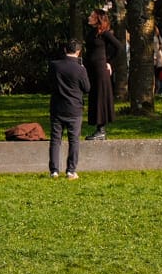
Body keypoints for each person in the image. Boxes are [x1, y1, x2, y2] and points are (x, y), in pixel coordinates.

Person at [48, 39, 90, 180]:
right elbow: (87, 88)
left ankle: (54, 171)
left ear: (65, 50)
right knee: (74, 140)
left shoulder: (54, 66)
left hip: (57, 107)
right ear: (78, 51)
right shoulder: (80, 69)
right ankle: (70, 170)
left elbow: (50, 83)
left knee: (55, 139)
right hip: (74, 109)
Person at [85, 9, 122, 140]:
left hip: (100, 69)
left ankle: (101, 129)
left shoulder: (105, 34)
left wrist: (109, 62)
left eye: (92, 15)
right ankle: (98, 127)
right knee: (94, 96)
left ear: (98, 18)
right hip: (91, 70)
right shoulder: (92, 33)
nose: (89, 17)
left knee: (100, 97)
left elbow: (118, 47)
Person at [153, 26, 162, 99]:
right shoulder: (159, 37)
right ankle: (160, 91)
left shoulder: (153, 38)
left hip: (156, 58)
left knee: (156, 77)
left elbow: (154, 49)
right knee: (160, 77)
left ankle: (157, 91)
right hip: (160, 58)